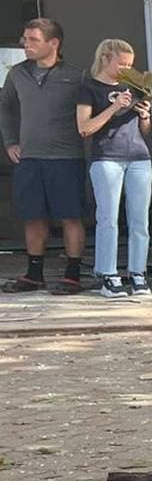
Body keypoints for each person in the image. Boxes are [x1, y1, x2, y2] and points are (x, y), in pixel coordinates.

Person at [1, 18, 89, 295]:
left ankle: (72, 275)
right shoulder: (16, 74)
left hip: (66, 158)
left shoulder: (77, 76)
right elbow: (5, 108)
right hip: (29, 158)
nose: (25, 44)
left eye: (33, 40)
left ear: (53, 43)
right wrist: (10, 142)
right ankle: (33, 274)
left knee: (70, 217)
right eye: (25, 39)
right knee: (33, 217)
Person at [77, 39, 152, 297]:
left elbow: (145, 132)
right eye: (121, 64)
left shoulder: (134, 87)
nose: (126, 69)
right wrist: (114, 106)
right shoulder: (89, 87)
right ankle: (108, 275)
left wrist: (145, 116)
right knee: (108, 219)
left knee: (140, 219)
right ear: (105, 59)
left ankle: (138, 273)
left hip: (139, 157)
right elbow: (84, 128)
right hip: (107, 158)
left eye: (130, 65)